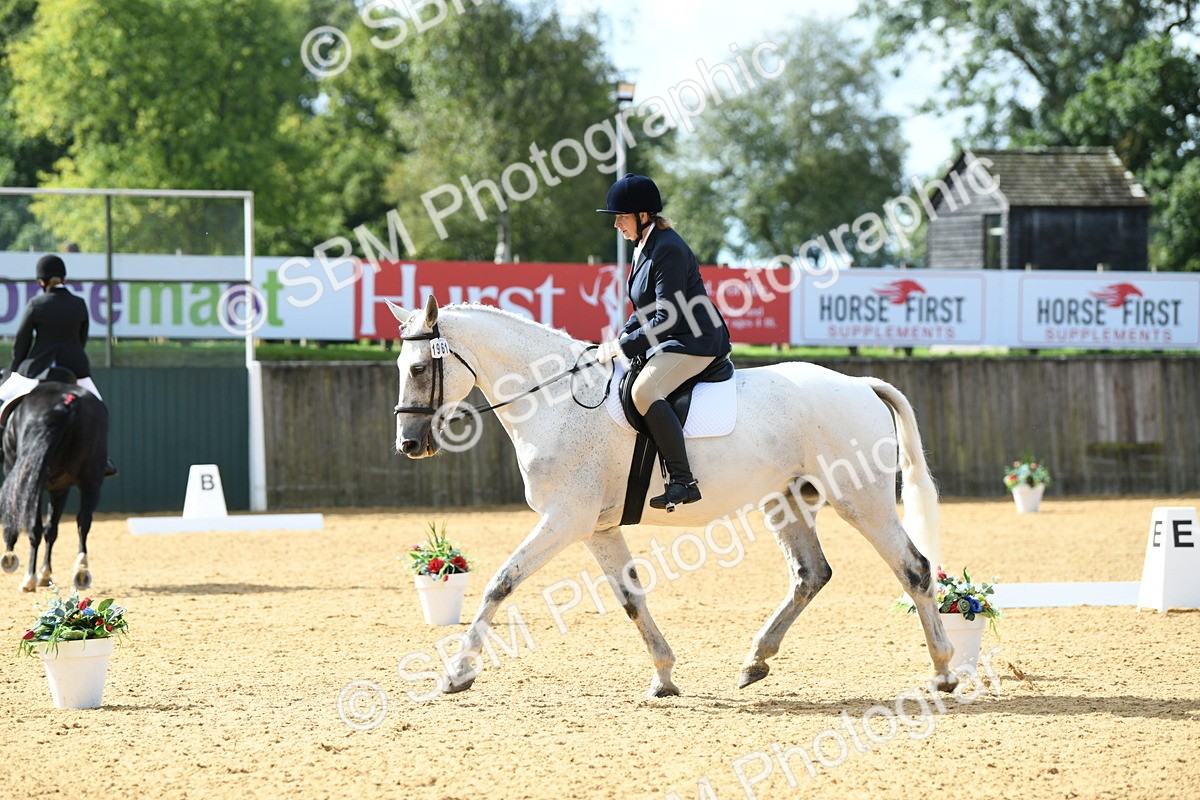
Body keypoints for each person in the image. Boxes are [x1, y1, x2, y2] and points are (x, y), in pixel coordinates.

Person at [594, 174, 731, 510]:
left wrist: (626, 348)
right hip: (673, 338)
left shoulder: (668, 248)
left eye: (621, 217)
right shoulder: (646, 246)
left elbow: (666, 317)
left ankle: (684, 481)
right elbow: (645, 309)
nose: (616, 225)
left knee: (644, 391)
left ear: (643, 216)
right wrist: (620, 338)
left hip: (695, 340)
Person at [0, 254, 116, 476]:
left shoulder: (36, 304)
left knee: (1, 399)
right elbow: (81, 339)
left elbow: (21, 343)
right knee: (100, 410)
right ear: (64, 278)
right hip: (75, 370)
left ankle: (1, 447)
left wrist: (15, 369)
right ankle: (102, 460)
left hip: (36, 370)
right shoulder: (79, 304)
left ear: (41, 281)